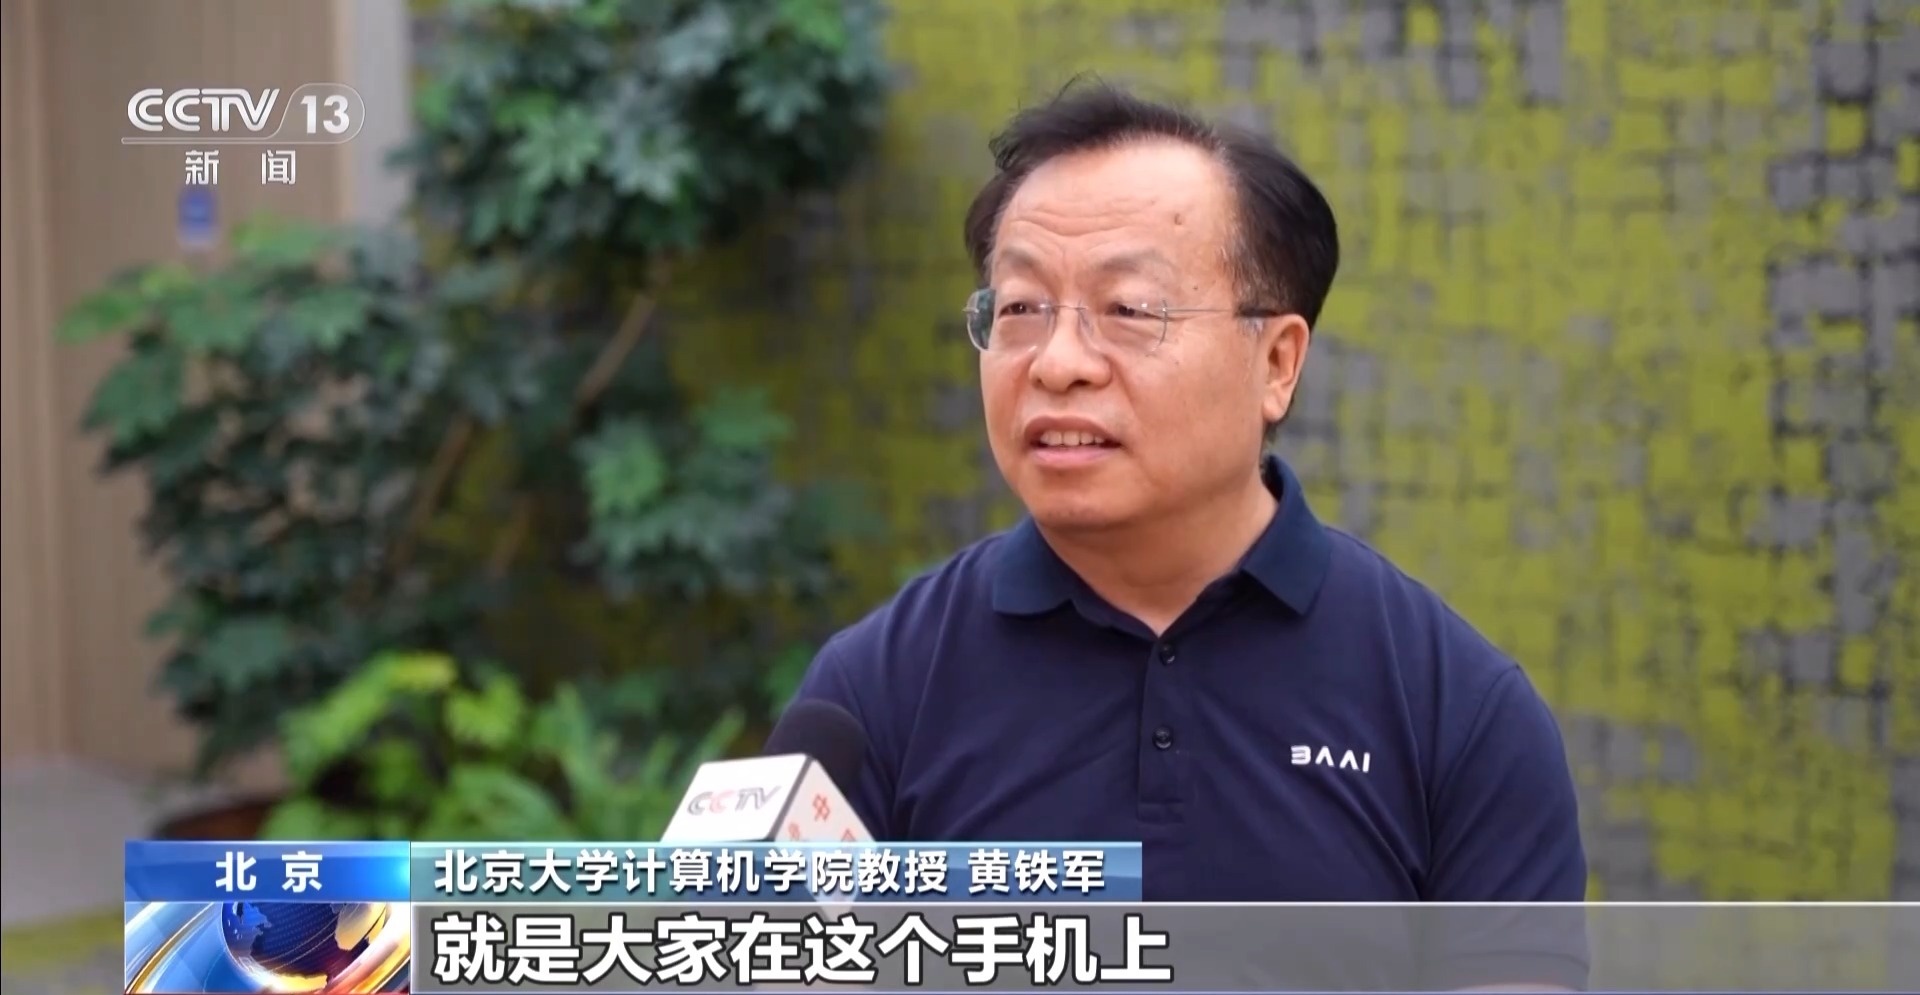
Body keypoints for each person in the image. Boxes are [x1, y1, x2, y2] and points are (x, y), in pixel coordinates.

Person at [791, 80, 1588, 990]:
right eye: (1019, 309)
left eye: (1130, 310)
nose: (1058, 363)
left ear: (1277, 363)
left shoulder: (1457, 709)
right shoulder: (874, 693)